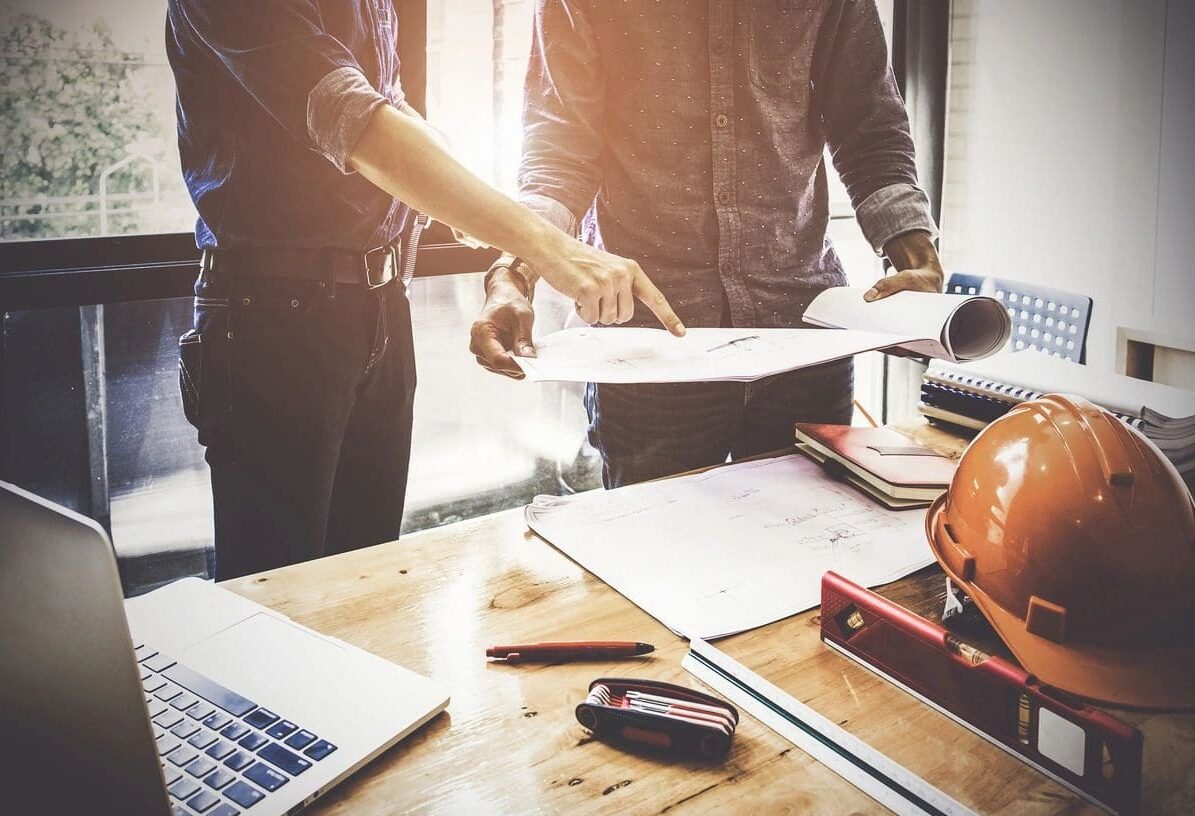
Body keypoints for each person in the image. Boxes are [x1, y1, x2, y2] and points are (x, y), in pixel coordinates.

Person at [165, 0, 684, 580]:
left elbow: (396, 115)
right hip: (272, 313)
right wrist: (550, 249)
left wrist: (494, 228)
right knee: (276, 593)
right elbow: (356, 122)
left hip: (381, 303)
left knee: (368, 580)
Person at [470, 0, 943, 488]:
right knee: (654, 554)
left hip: (805, 333)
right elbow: (558, 158)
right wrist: (515, 270)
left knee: (810, 547)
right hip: (650, 351)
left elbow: (870, 129)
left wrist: (918, 257)